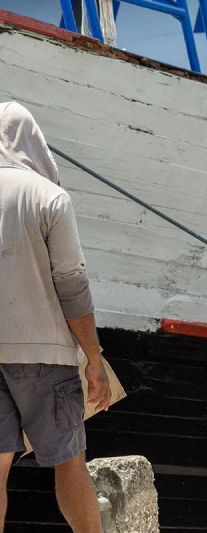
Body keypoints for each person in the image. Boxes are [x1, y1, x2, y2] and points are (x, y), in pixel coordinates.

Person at [0, 102, 111, 532]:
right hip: (46, 354)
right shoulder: (49, 196)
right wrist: (94, 358)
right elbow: (72, 284)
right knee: (69, 461)